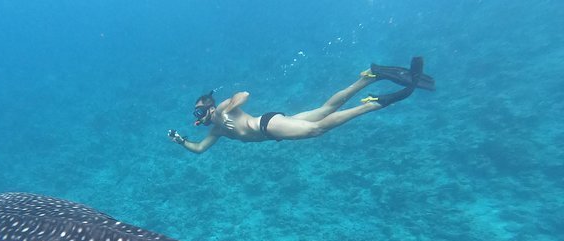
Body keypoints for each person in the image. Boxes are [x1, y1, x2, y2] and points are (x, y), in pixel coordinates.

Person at [169, 57, 434, 154]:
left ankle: (371, 104)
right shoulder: (215, 131)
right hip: (272, 128)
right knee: (324, 111)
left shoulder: (224, 108)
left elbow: (244, 94)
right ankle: (367, 78)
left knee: (315, 130)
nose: (198, 116)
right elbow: (200, 149)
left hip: (267, 124)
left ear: (210, 108)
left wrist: (226, 110)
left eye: (200, 110)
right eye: (196, 113)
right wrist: (182, 141)